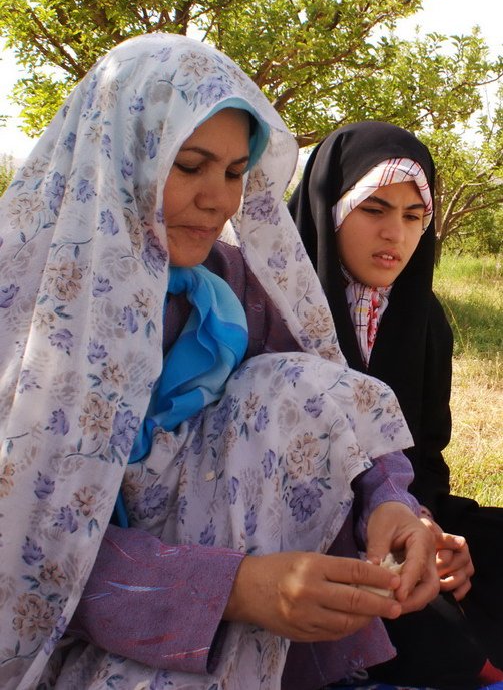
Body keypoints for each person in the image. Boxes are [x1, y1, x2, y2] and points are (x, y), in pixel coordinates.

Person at [0, 37, 439, 690]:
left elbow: (327, 407)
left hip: (219, 598)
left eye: (235, 173)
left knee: (292, 383)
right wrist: (229, 588)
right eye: (189, 165)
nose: (220, 200)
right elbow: (24, 546)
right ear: (119, 158)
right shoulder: (27, 308)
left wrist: (390, 505)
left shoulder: (229, 287)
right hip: (72, 621)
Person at [289, 120, 503, 688]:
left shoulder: (425, 318)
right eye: (374, 209)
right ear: (330, 207)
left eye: (414, 217)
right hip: (304, 536)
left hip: (403, 513)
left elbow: (425, 453)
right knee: (428, 632)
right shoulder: (275, 304)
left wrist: (430, 529)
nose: (396, 235)